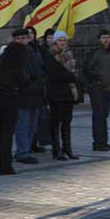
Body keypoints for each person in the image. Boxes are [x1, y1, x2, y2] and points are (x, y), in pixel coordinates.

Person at [0, 42, 30, 175]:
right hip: (10, 100)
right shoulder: (16, 67)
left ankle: (3, 163)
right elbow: (25, 82)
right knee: (8, 133)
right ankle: (6, 165)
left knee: (0, 132)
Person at [44, 31, 79, 160]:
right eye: (60, 40)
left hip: (68, 92)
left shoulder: (69, 55)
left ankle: (67, 148)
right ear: (55, 42)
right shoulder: (51, 55)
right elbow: (52, 75)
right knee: (56, 122)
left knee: (67, 121)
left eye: (64, 40)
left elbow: (73, 73)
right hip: (56, 92)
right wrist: (69, 76)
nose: (62, 43)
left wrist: (71, 78)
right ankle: (56, 149)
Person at [11, 28, 44, 164]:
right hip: (21, 95)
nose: (21, 41)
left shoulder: (32, 51)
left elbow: (40, 70)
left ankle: (27, 149)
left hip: (35, 94)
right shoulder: (11, 54)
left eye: (23, 38)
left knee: (32, 125)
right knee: (22, 126)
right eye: (18, 39)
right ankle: (22, 152)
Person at [84, 30, 110, 151]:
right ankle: (97, 142)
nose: (106, 40)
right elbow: (87, 69)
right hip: (97, 87)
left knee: (104, 115)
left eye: (108, 37)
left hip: (107, 87)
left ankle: (104, 141)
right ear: (99, 39)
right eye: (103, 37)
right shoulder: (96, 53)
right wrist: (99, 77)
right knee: (98, 115)